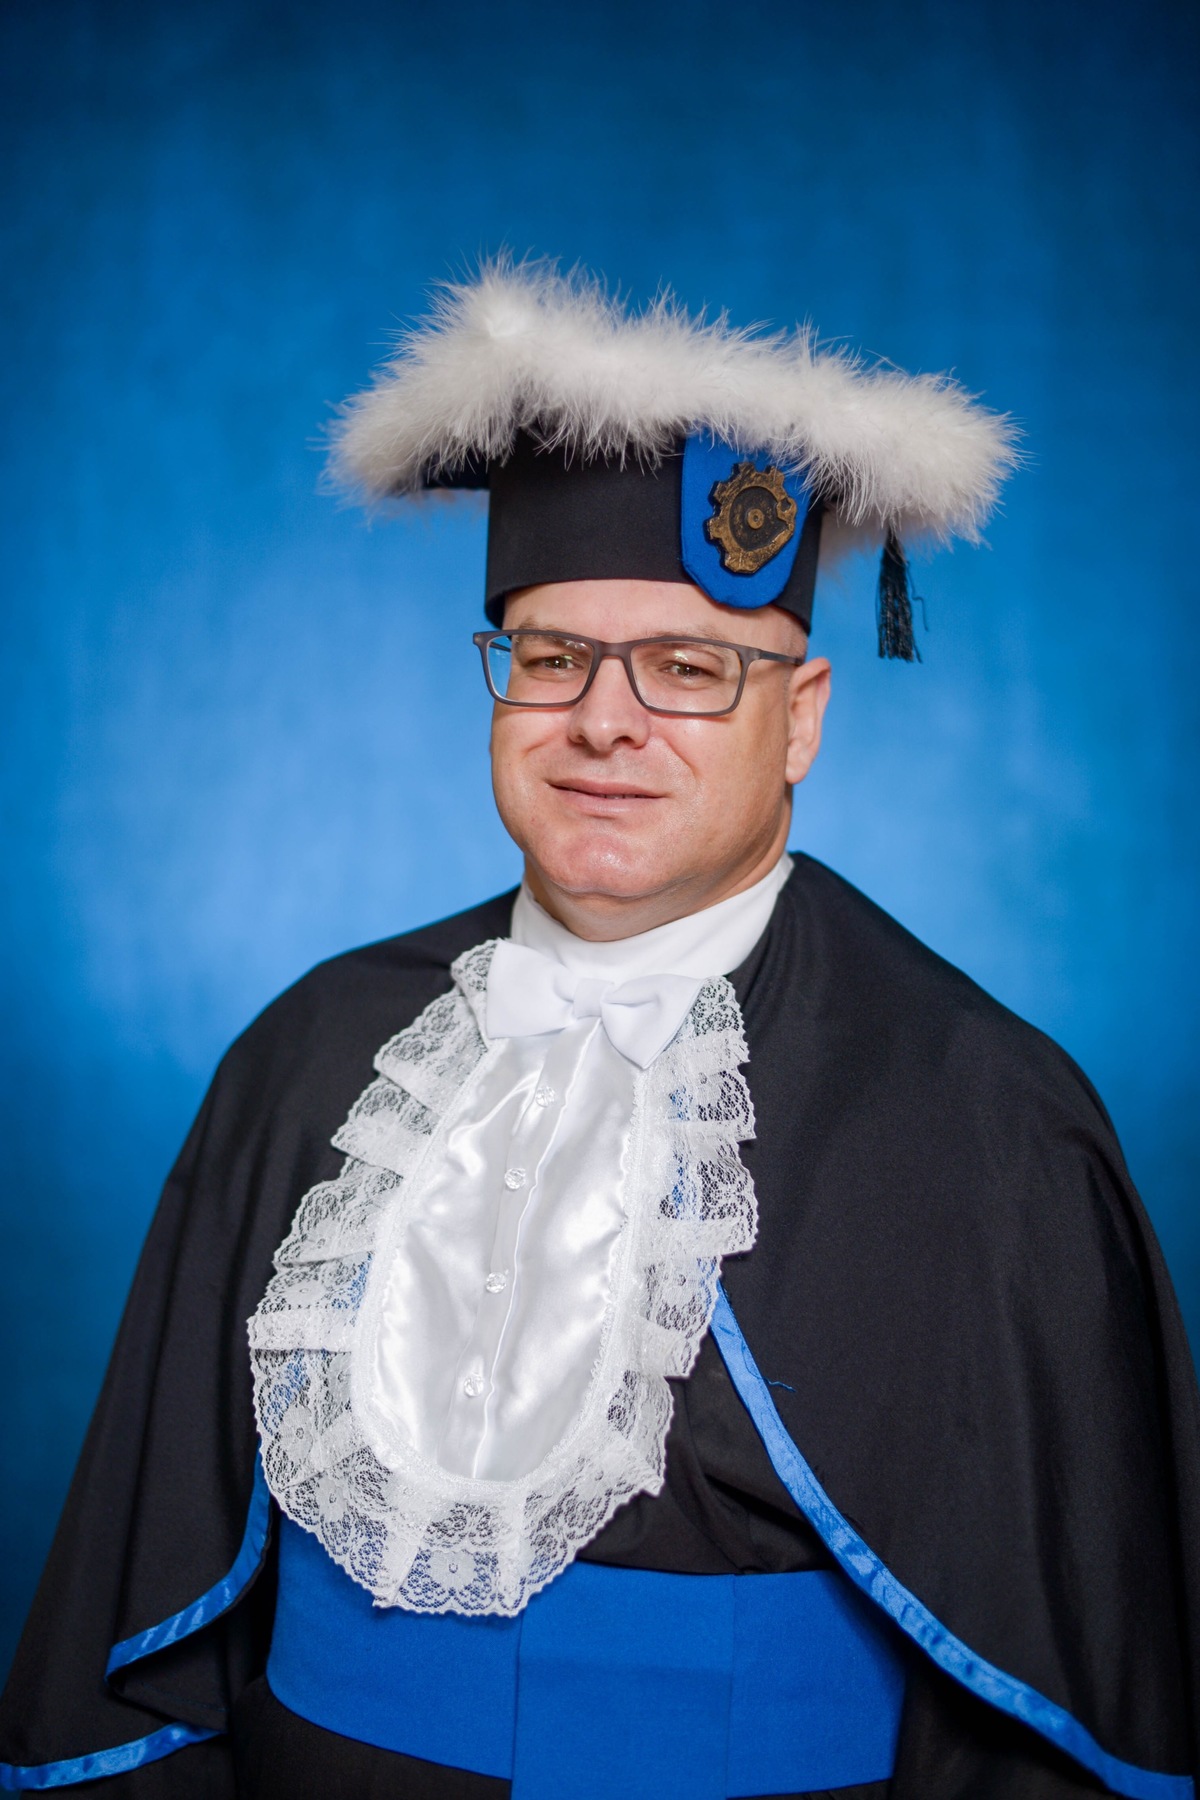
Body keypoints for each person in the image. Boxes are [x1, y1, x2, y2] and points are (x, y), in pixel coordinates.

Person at [1, 259, 1197, 1800]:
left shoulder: (984, 1110)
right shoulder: (308, 1051)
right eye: (553, 658)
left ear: (802, 716)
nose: (604, 722)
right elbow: (155, 1600)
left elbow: (1058, 1705)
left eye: (689, 669)